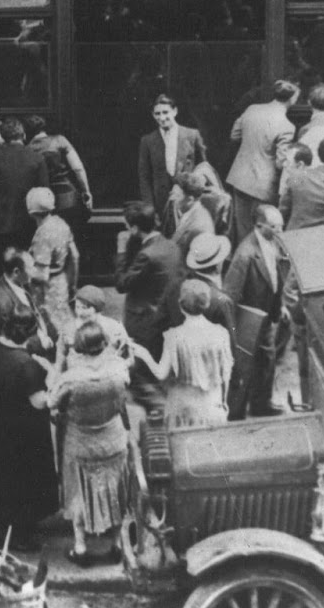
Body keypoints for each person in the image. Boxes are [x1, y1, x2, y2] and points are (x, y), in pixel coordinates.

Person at [50, 323, 132, 563]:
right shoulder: (117, 369)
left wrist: (54, 368)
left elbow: (52, 403)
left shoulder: (71, 378)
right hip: (114, 438)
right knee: (116, 490)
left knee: (79, 492)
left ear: (78, 347)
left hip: (81, 440)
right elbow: (126, 376)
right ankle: (116, 545)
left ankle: (81, 546)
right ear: (104, 344)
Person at [0, 309, 60, 551]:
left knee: (1, 480)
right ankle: (19, 537)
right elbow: (40, 402)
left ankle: (5, 527)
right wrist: (53, 373)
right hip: (23, 435)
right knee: (24, 483)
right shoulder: (26, 366)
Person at [130, 278, 235, 430]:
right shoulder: (221, 333)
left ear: (181, 305)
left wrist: (143, 353)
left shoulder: (174, 336)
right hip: (212, 402)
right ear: (207, 303)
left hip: (183, 407)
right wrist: (224, 402)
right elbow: (226, 373)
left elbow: (160, 374)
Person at [0, 117, 48, 313]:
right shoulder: (37, 158)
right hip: (28, 225)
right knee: (27, 269)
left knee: (1, 272)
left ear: (2, 137)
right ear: (23, 135)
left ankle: (4, 310)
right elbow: (43, 194)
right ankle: (27, 310)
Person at [115, 201, 184, 415]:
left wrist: (120, 250)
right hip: (164, 314)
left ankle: (158, 409)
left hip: (143, 320)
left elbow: (122, 284)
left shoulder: (146, 255)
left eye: (128, 226)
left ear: (135, 228)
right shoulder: (171, 245)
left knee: (140, 372)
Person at [225, 205, 294, 419]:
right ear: (259, 225)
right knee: (245, 366)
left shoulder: (272, 242)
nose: (280, 231)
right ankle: (237, 412)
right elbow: (231, 293)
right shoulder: (245, 254)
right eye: (275, 227)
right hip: (250, 321)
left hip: (267, 314)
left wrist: (279, 305)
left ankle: (261, 404)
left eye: (281, 226)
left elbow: (275, 277)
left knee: (267, 360)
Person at [226, 79, 297, 245]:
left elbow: (234, 135)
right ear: (292, 99)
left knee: (242, 230)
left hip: (240, 177)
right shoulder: (287, 126)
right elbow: (281, 163)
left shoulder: (252, 109)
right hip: (263, 185)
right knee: (263, 232)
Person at [137, 94, 207, 223]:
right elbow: (144, 177)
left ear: (175, 111)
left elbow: (203, 168)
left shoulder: (192, 135)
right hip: (161, 204)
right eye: (157, 114)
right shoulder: (148, 140)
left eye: (165, 112)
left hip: (188, 201)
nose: (162, 118)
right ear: (153, 115)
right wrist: (150, 208)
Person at [26, 185, 78, 333]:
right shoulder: (61, 224)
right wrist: (72, 286)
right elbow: (75, 256)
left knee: (49, 329)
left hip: (47, 291)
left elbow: (42, 274)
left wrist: (23, 266)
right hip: (61, 282)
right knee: (66, 325)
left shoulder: (42, 234)